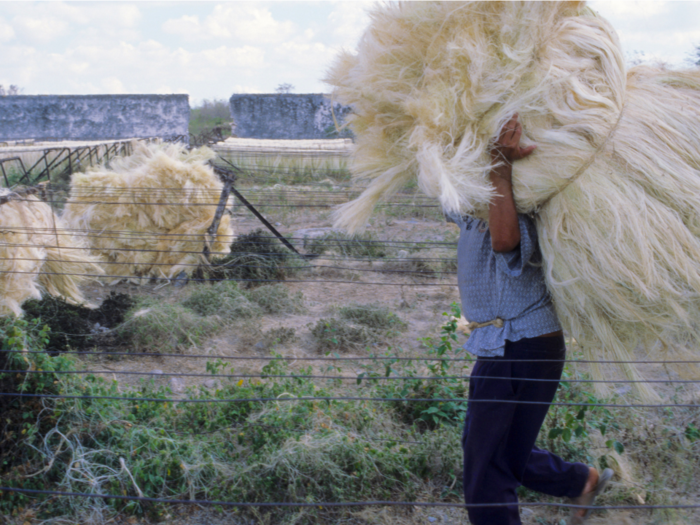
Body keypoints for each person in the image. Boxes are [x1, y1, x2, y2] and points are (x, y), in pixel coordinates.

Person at [452, 114, 613, 525]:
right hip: (511, 344)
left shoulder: (525, 196)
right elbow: (447, 193)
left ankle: (578, 480)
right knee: (506, 453)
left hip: (519, 343)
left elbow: (505, 240)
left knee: (486, 471)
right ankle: (581, 480)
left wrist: (500, 168)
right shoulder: (477, 199)